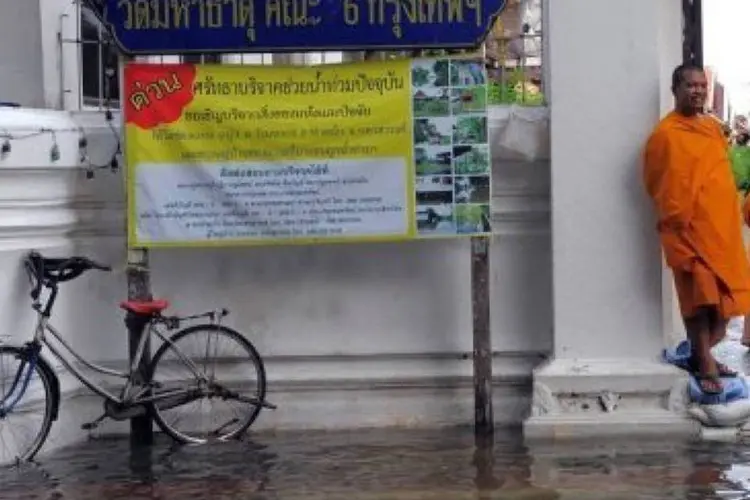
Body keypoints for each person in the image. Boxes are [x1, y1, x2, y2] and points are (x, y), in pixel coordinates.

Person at [643, 64, 750, 394]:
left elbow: (719, 174)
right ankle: (703, 360)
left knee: (726, 303)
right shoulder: (666, 135)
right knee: (698, 300)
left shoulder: (711, 130)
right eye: (690, 85)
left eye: (702, 86)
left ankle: (701, 354)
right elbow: (658, 183)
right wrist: (678, 222)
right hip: (687, 231)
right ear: (675, 90)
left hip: (720, 231)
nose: (698, 91)